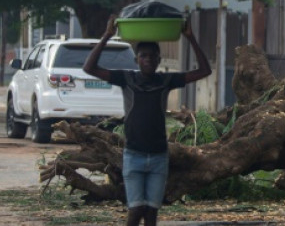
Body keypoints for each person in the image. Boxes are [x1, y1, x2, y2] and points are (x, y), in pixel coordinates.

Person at [83, 15, 211, 226]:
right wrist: (107, 35)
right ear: (136, 60)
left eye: (153, 56)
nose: (148, 59)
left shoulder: (166, 81)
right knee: (135, 211)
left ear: (159, 60)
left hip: (159, 158)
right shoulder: (126, 78)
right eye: (143, 56)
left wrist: (190, 37)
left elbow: (205, 71)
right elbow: (89, 68)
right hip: (133, 156)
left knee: (151, 214)